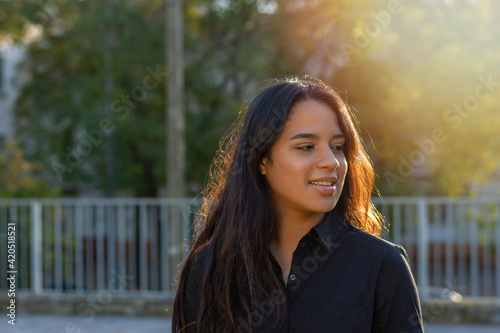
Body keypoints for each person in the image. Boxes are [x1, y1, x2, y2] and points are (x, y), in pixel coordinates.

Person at [172, 76, 424, 332]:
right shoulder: (210, 269)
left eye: (337, 147)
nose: (332, 161)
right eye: (306, 146)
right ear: (262, 160)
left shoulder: (382, 265)